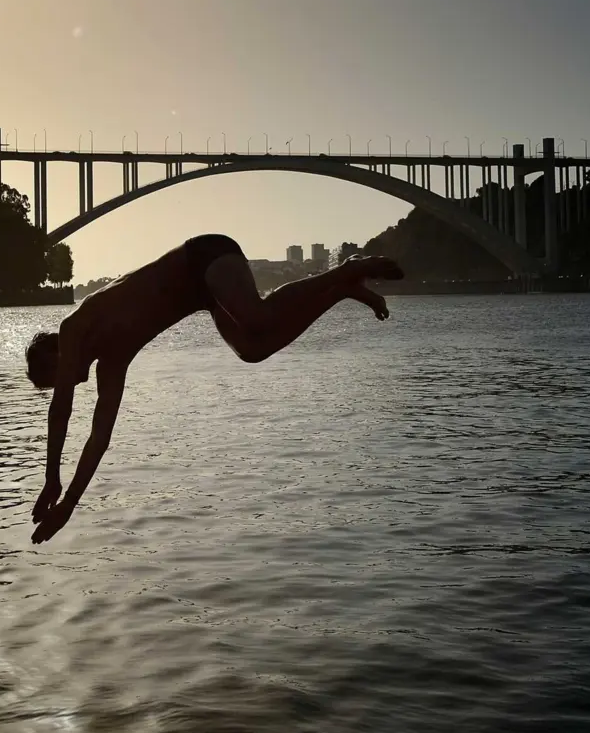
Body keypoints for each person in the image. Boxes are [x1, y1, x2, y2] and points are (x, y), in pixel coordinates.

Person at [24, 233, 403, 544]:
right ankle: (341, 290)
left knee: (256, 317)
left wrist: (52, 479)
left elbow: (61, 411)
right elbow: (98, 438)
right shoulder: (112, 363)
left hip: (204, 257)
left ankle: (345, 271)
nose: (63, 382)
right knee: (253, 349)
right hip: (205, 291)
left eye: (53, 377)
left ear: (54, 353)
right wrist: (70, 504)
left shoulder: (75, 325)